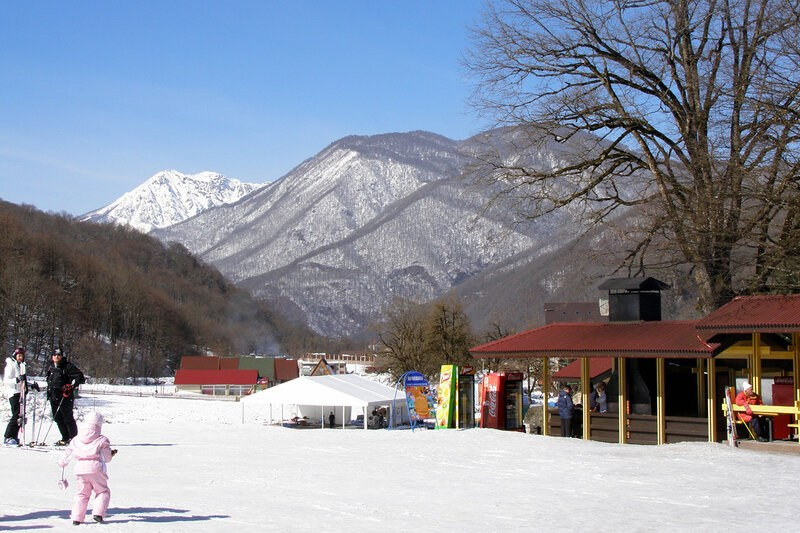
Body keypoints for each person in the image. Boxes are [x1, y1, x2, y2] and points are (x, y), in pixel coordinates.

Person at [58, 412, 118, 525]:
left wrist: (62, 463)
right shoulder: (102, 439)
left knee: (82, 494)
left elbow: (68, 453)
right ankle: (98, 513)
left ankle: (76, 518)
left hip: (80, 469)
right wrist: (111, 454)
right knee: (102, 491)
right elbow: (107, 457)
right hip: (96, 468)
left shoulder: (76, 439)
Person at [46, 349, 85, 446]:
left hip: (65, 396)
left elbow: (80, 377)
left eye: (59, 355)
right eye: (54, 355)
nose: (56, 357)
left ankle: (74, 439)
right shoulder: (51, 367)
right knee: (57, 418)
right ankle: (65, 437)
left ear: (62, 356)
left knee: (67, 417)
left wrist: (71, 386)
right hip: (53, 395)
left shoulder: (68, 366)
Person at [3, 347, 38, 445]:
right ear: (15, 356)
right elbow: (6, 381)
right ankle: (8, 436)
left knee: (21, 417)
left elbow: (23, 381)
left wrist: (31, 385)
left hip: (22, 393)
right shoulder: (11, 365)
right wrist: (17, 379)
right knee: (16, 415)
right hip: (14, 393)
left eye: (22, 356)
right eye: (19, 356)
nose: (20, 358)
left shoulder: (22, 366)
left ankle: (14, 436)